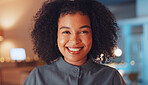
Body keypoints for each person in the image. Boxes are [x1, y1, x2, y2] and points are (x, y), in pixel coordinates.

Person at [24, 0, 126, 85]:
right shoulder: (38, 77)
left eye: (83, 32)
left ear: (94, 35)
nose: (75, 40)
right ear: (55, 35)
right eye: (66, 32)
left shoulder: (111, 77)